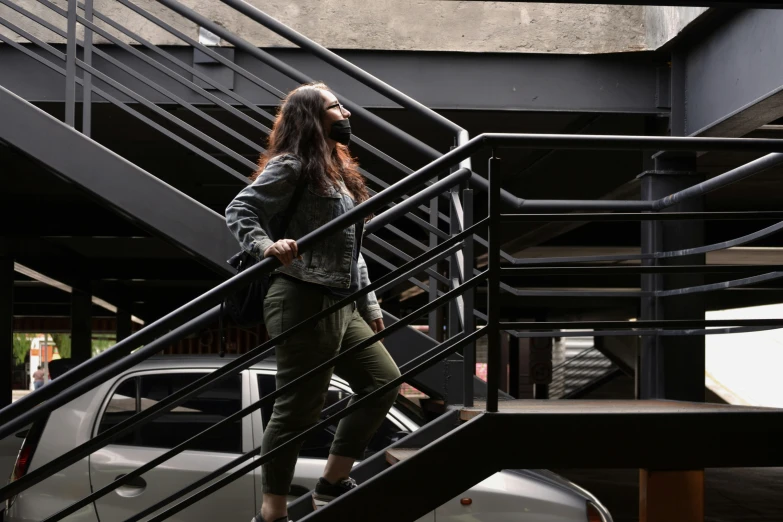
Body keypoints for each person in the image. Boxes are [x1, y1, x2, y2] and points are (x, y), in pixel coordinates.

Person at [226, 82, 401, 522]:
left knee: (383, 380)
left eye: (341, 105)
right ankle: (272, 512)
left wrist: (371, 306)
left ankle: (331, 481)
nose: (345, 113)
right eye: (333, 107)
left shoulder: (338, 171)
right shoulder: (292, 165)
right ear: (310, 116)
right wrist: (266, 245)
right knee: (298, 408)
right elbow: (240, 210)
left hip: (343, 301)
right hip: (302, 295)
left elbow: (351, 249)